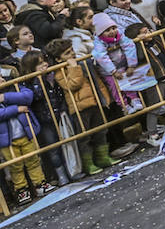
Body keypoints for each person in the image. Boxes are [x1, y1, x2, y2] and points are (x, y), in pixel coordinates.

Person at [0, 69, 50, 205]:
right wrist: (16, 109)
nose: (1, 81)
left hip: (25, 133)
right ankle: (22, 190)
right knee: (15, 166)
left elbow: (28, 97)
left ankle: (40, 184)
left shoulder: (13, 87)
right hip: (7, 141)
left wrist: (6, 97)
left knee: (33, 160)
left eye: (1, 77)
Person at [44, 38, 112, 174]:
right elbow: (72, 85)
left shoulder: (81, 63)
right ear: (58, 59)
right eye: (67, 53)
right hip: (79, 107)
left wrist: (104, 98)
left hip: (93, 101)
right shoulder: (59, 73)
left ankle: (103, 157)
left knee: (101, 130)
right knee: (84, 137)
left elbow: (95, 81)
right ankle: (89, 163)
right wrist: (73, 68)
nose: (72, 54)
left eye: (72, 51)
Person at [18, 51, 70, 186]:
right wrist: (38, 78)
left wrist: (64, 108)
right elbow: (37, 96)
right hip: (45, 119)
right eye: (39, 63)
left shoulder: (53, 74)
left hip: (59, 113)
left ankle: (72, 169)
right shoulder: (29, 83)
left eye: (44, 61)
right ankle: (61, 174)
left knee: (68, 141)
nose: (44, 65)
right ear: (31, 67)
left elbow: (61, 94)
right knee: (53, 148)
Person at [90, 13, 144, 114]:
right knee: (115, 87)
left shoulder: (120, 33)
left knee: (127, 82)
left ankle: (135, 99)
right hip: (108, 71)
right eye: (107, 30)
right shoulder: (98, 42)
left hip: (122, 65)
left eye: (113, 28)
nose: (112, 32)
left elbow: (129, 45)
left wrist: (131, 65)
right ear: (100, 32)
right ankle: (124, 105)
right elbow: (101, 56)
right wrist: (113, 71)